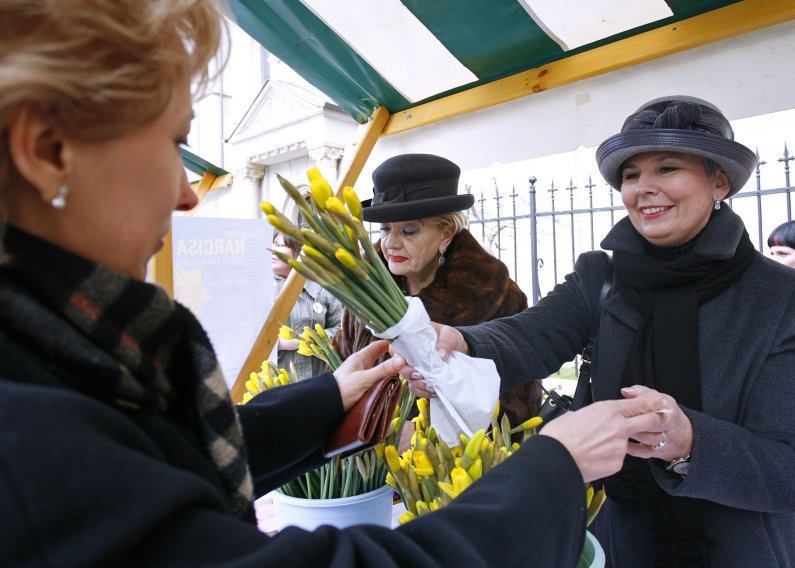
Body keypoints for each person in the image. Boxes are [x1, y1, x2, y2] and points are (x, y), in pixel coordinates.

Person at [0, 1, 673, 565]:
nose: (187, 194)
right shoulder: (28, 429)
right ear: (48, 151)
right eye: (174, 143)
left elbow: (172, 453)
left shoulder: (72, 356)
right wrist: (552, 469)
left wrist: (331, 396)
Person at [410, 95, 795, 567]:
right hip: (614, 541)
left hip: (740, 549)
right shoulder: (602, 277)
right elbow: (532, 334)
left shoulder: (783, 298)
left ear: (719, 181)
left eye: (668, 167)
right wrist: (462, 341)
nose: (644, 188)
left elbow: (790, 468)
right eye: (631, 175)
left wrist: (689, 441)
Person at [335, 153, 542, 427]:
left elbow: (517, 400)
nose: (390, 244)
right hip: (366, 462)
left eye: (408, 231)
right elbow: (339, 372)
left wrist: (428, 434)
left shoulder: (493, 294)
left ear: (445, 234)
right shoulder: (364, 291)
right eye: (385, 229)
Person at [272, 229, 343, 379]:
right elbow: (247, 337)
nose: (273, 250)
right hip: (276, 384)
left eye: (280, 245)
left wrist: (307, 341)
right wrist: (279, 344)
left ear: (298, 252)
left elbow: (341, 330)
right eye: (272, 244)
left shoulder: (322, 288)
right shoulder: (261, 289)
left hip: (319, 380)